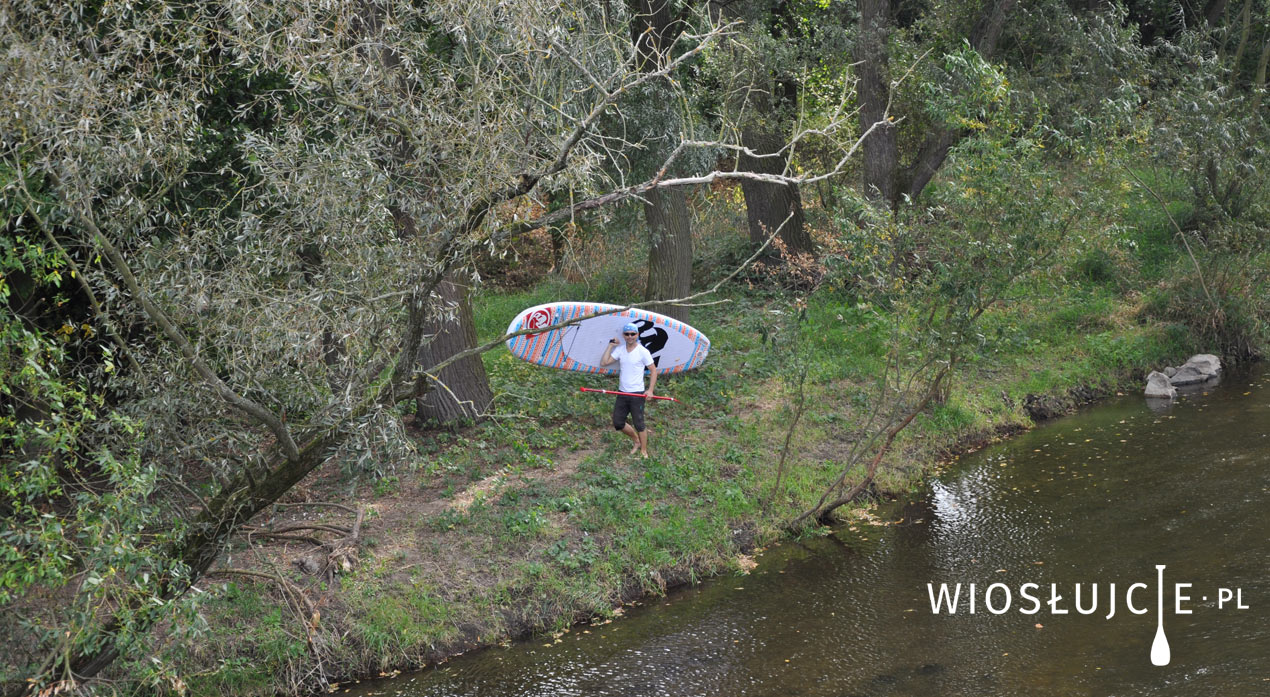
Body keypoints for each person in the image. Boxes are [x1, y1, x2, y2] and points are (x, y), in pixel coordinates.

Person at [600, 322, 657, 457]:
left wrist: (650, 390)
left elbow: (653, 371)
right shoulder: (620, 350)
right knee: (618, 422)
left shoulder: (643, 351)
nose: (630, 336)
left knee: (639, 423)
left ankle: (643, 450)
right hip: (622, 392)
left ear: (637, 335)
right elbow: (604, 363)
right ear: (624, 335)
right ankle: (636, 440)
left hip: (637, 394)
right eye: (627, 334)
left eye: (633, 334)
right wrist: (610, 346)